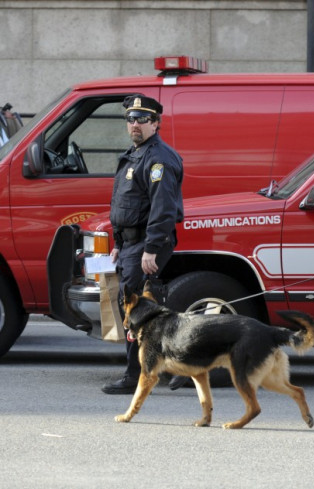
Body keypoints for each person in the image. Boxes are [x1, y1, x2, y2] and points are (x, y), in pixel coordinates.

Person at [101, 94, 184, 395]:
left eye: (142, 119)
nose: (135, 124)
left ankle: (134, 375)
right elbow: (124, 205)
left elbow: (162, 209)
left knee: (136, 310)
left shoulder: (159, 158)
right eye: (131, 119)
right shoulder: (134, 155)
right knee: (142, 308)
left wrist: (151, 248)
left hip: (146, 246)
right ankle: (174, 368)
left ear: (156, 123)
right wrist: (119, 244)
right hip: (131, 245)